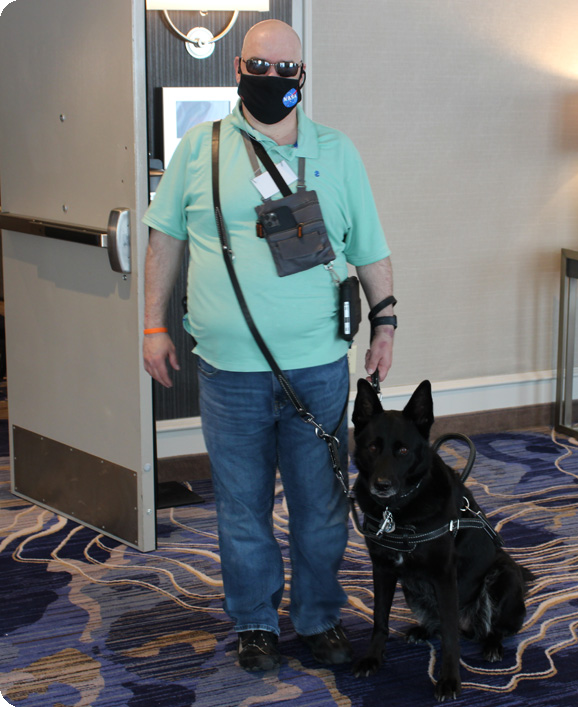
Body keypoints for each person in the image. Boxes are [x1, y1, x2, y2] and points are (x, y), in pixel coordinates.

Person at [142, 19, 395, 672]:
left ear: (303, 76)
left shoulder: (336, 152)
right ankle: (254, 620)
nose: (275, 79)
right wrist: (152, 325)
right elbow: (165, 241)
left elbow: (368, 247)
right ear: (237, 67)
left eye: (289, 68)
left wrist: (386, 322)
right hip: (229, 372)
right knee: (241, 505)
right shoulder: (200, 149)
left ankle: (316, 617)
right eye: (262, 65)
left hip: (317, 368)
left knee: (321, 506)